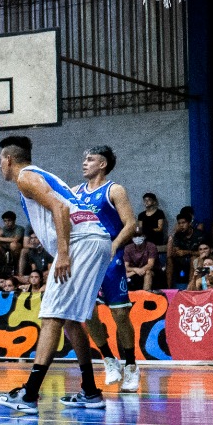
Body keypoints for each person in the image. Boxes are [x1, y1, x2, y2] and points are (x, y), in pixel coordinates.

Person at [0, 135, 112, 414]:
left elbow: (60, 208)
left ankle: (29, 395)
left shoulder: (26, 177)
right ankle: (90, 392)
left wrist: (64, 253)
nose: (0, 167)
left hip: (81, 244)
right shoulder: (43, 175)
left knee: (51, 316)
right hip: (96, 240)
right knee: (69, 320)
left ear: (8, 159)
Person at [73, 146, 141, 393]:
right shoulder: (75, 192)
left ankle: (132, 366)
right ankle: (109, 360)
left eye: (90, 159)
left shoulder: (114, 190)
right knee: (87, 313)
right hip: (86, 259)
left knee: (120, 315)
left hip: (110, 259)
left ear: (102, 164)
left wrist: (113, 246)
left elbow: (131, 224)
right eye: (85, 158)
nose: (84, 163)